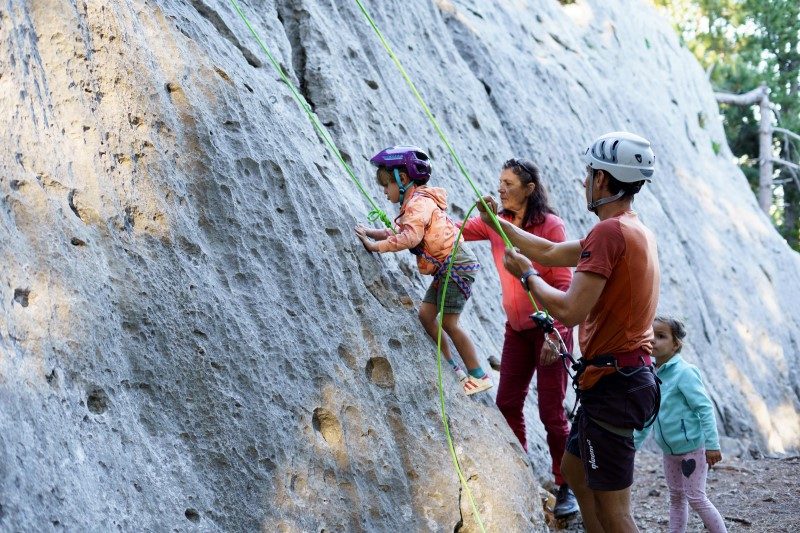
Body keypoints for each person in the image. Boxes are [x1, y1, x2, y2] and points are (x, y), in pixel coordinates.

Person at [477, 132, 660, 532]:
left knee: (616, 511)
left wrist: (525, 275)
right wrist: (496, 223)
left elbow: (569, 308)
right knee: (574, 471)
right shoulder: (629, 228)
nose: (583, 182)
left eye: (589, 173)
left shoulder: (610, 233)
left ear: (602, 180)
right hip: (616, 380)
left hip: (617, 383)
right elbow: (548, 251)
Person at [458, 158, 578, 517]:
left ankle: (566, 485)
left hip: (549, 332)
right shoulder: (497, 223)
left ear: (529, 189)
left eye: (509, 183)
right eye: (500, 182)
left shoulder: (550, 227)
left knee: (552, 414)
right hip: (516, 330)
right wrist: (419, 213)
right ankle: (523, 471)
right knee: (508, 402)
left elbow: (563, 285)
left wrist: (555, 335)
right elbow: (455, 230)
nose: (501, 188)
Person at [355, 145, 492, 395]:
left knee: (450, 323)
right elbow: (402, 232)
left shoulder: (418, 205)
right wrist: (371, 232)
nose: (385, 192)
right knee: (426, 315)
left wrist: (375, 246)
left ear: (403, 179)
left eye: (387, 185)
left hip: (455, 265)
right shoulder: (415, 205)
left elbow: (408, 238)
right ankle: (455, 369)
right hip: (448, 266)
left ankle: (478, 375)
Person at [634, 317, 727, 533]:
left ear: (676, 344)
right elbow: (649, 414)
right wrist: (634, 445)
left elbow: (704, 408)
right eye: (651, 335)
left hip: (693, 450)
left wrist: (713, 445)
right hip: (669, 453)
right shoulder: (650, 373)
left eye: (661, 336)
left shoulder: (685, 372)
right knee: (676, 497)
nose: (654, 340)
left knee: (696, 497)